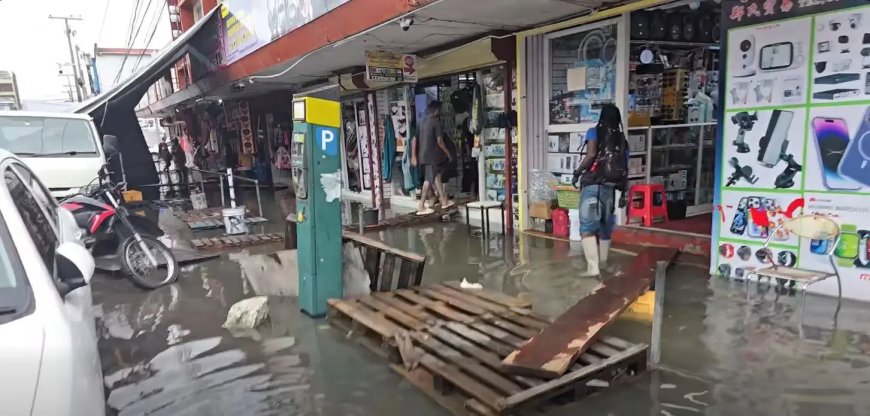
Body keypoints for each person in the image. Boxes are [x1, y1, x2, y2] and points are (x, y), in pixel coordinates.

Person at [572, 104, 629, 276]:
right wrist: (624, 192)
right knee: (605, 227)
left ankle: (593, 268)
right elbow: (625, 167)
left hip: (593, 187)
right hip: (610, 191)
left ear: (602, 117)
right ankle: (603, 263)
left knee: (588, 227)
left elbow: (590, 155)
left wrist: (577, 172)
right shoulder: (622, 140)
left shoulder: (594, 132)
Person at [416, 101, 454, 215]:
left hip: (423, 155)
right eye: (439, 110)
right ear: (436, 110)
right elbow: (439, 141)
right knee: (428, 179)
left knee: (435, 176)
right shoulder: (435, 122)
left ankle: (443, 200)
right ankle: (421, 205)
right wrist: (448, 153)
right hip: (432, 156)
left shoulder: (422, 122)